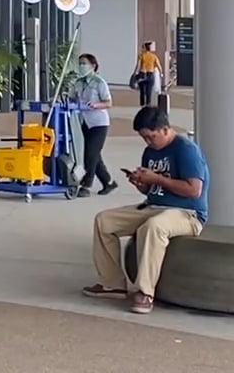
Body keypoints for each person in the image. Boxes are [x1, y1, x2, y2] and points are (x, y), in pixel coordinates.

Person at [84, 107, 208, 315]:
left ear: (165, 129)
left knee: (152, 227)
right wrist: (140, 182)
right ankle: (112, 283)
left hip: (186, 212)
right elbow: (150, 188)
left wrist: (157, 178)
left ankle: (145, 291)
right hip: (153, 205)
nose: (148, 142)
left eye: (151, 137)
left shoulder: (186, 149)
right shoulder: (150, 151)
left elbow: (194, 190)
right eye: (144, 138)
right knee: (104, 221)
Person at [67, 53, 117, 196]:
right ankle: (108, 182)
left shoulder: (99, 83)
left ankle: (86, 185)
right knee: (94, 154)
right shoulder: (78, 83)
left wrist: (96, 105)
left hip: (99, 124)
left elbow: (108, 103)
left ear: (93, 66)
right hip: (85, 123)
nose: (81, 66)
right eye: (80, 63)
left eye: (84, 63)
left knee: (90, 154)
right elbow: (72, 98)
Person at [133, 42, 161, 107]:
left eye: (142, 47)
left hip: (142, 74)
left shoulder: (141, 55)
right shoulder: (154, 56)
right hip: (151, 75)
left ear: (145, 48)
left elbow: (138, 65)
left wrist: (134, 73)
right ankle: (148, 105)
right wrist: (161, 73)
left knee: (142, 91)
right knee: (149, 91)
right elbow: (159, 66)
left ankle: (142, 105)